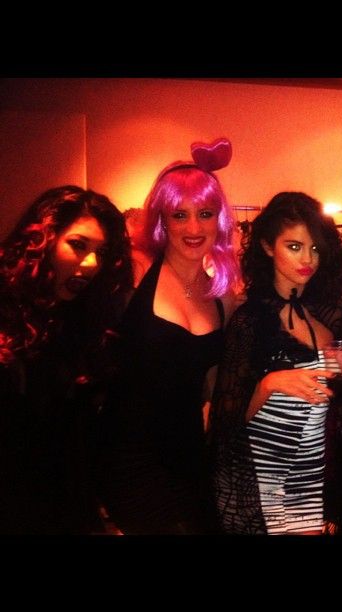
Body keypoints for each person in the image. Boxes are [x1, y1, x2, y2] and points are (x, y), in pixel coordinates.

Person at [209, 191, 342, 535]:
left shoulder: (332, 314)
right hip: (260, 474)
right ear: (268, 246)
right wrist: (269, 383)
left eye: (315, 248)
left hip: (310, 474)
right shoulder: (250, 319)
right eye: (294, 246)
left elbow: (341, 407)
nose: (307, 259)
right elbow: (224, 421)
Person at [97, 139, 240, 534]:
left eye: (205, 214)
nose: (193, 228)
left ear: (219, 220)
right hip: (129, 459)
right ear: (163, 220)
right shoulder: (137, 272)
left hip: (191, 460)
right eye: (180, 215)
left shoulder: (222, 296)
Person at [0, 185, 133, 534]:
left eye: (101, 253)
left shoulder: (84, 321)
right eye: (78, 245)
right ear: (41, 241)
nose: (90, 264)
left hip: (64, 508)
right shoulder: (7, 312)